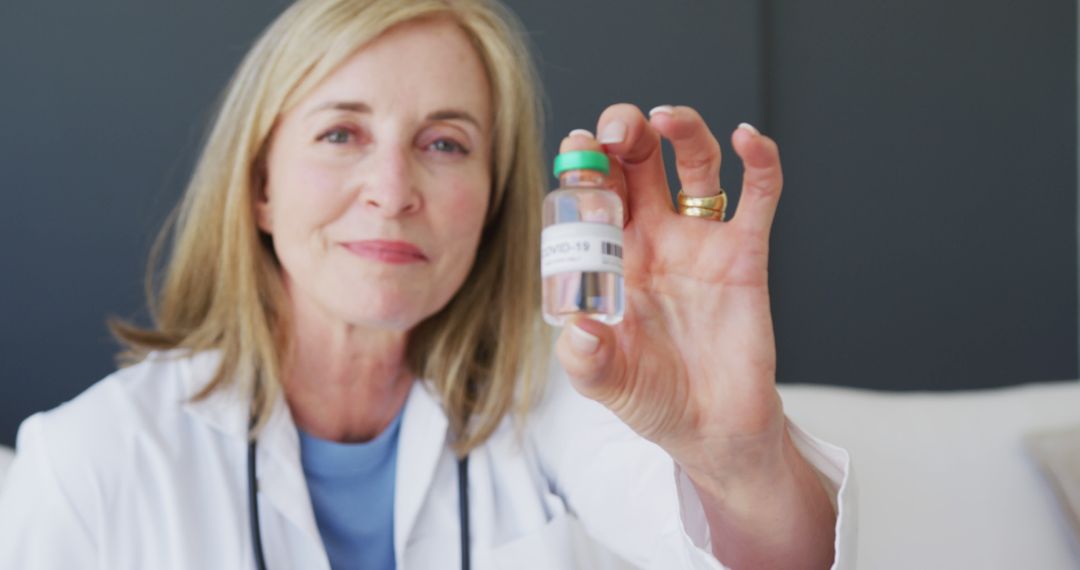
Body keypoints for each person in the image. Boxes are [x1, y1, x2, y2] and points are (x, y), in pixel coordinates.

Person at [0, 0, 854, 568]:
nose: (393, 190)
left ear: (492, 199)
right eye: (341, 134)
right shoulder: (89, 462)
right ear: (260, 186)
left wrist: (736, 458)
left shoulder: (564, 400)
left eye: (444, 144)